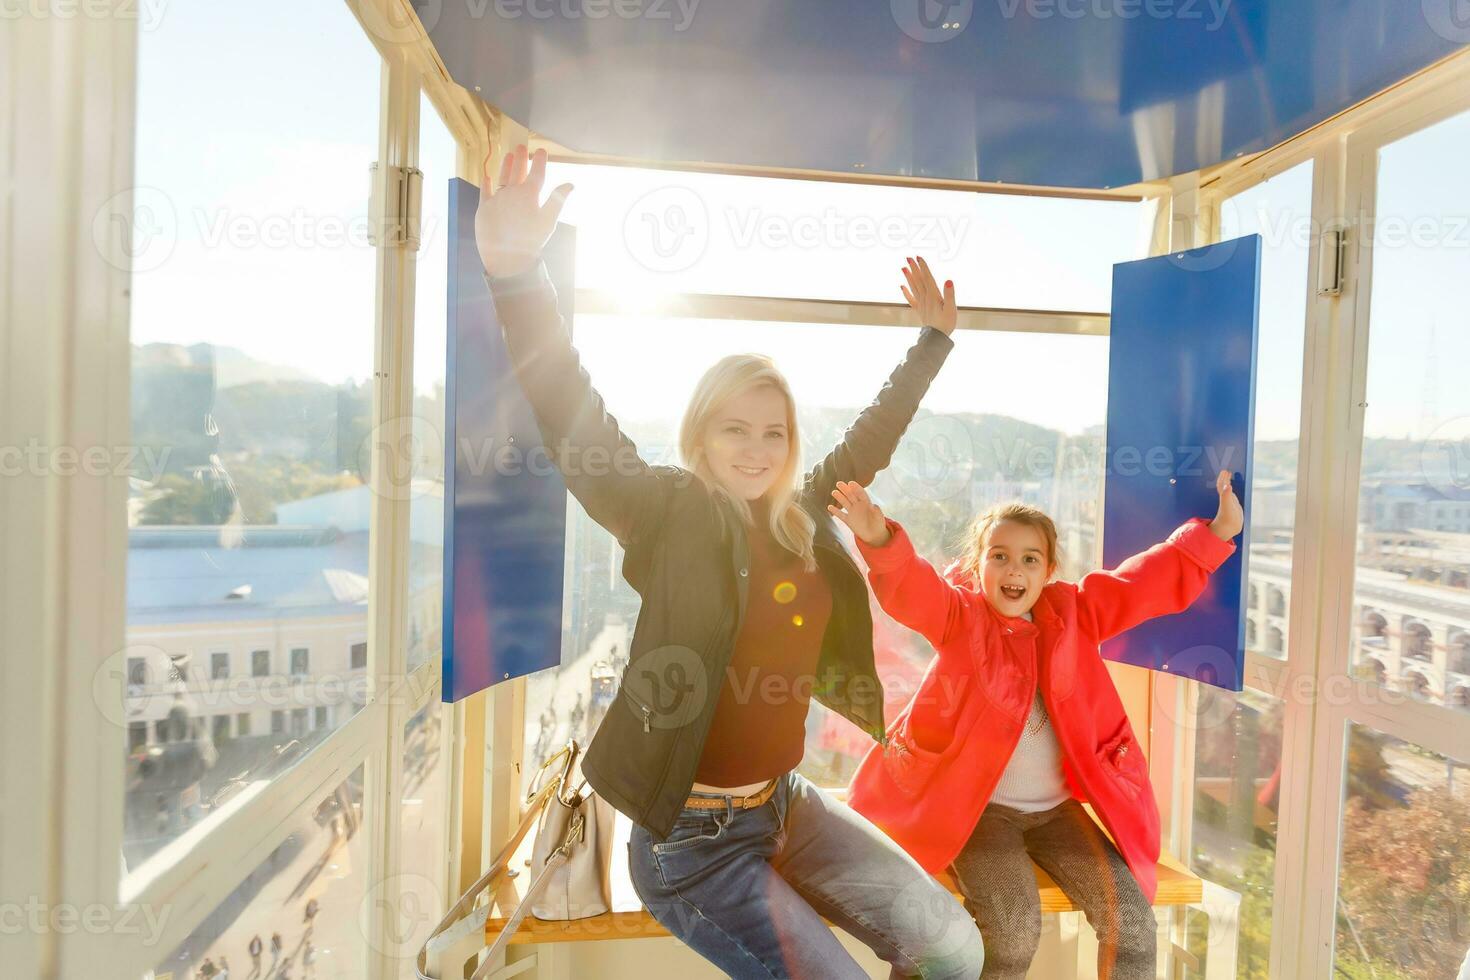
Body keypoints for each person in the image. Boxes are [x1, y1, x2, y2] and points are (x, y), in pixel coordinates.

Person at [475, 142, 983, 978]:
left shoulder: (799, 517)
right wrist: (515, 274)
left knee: (956, 951)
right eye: (734, 429)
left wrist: (931, 343)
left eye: (773, 431)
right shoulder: (667, 511)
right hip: (692, 847)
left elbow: (871, 434)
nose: (756, 450)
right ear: (700, 435)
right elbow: (574, 415)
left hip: (788, 808)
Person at [829, 470, 1243, 979]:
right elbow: (912, 590)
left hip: (1056, 813)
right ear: (978, 566)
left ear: (1049, 570)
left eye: (1029, 559)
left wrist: (1216, 533)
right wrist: (877, 537)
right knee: (1013, 927)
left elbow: (1141, 583)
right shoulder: (961, 617)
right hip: (980, 813)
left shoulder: (1075, 613)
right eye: (998, 555)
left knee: (1133, 923)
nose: (1013, 569)